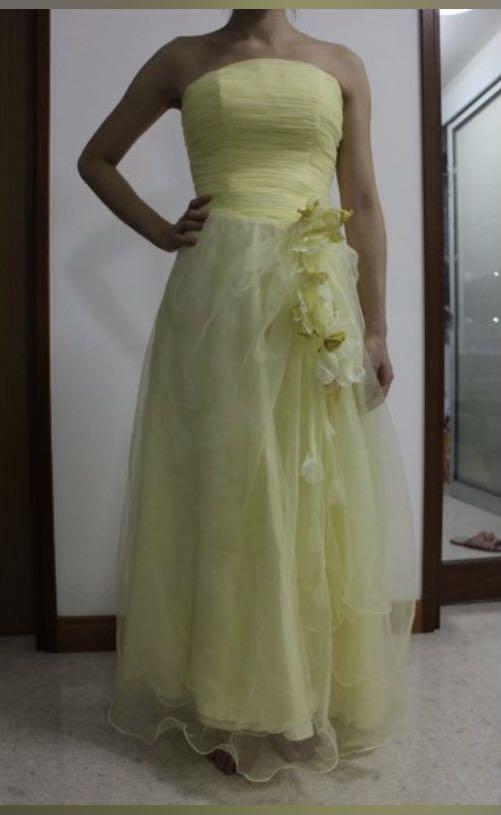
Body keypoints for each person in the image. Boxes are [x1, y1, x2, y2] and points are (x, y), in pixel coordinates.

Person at [78, 9, 418, 783]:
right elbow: (96, 159)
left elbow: (362, 201)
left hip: (312, 296)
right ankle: (230, 701)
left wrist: (375, 326)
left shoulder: (341, 62)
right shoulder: (182, 57)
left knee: (311, 489)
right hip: (216, 296)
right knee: (229, 491)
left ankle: (301, 696)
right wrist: (159, 230)